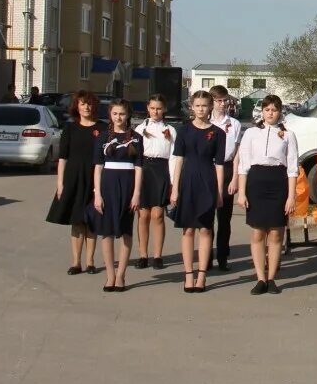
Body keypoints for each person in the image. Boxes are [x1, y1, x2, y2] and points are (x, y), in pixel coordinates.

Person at [236, 95, 299, 295]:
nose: (270, 113)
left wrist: (291, 196)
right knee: (257, 232)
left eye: (274, 109)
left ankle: (271, 277)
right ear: (262, 112)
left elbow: (292, 168)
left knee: (275, 232)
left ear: (280, 112)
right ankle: (260, 277)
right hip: (256, 181)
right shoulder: (251, 133)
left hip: (278, 181)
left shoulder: (288, 135)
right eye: (267, 110)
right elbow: (243, 165)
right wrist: (242, 192)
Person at [170, 91, 225, 293]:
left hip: (207, 181)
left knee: (205, 229)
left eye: (205, 105)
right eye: (198, 105)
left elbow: (219, 165)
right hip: (187, 181)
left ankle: (202, 275)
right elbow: (178, 160)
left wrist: (219, 191)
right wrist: (174, 189)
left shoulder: (219, 133)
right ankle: (188, 274)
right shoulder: (183, 131)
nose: (201, 109)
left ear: (211, 107)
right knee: (188, 230)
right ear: (192, 107)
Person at [46, 91, 105, 275]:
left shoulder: (102, 128)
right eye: (82, 104)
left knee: (91, 222)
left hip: (95, 178)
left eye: (89, 104)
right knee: (77, 221)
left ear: (94, 106)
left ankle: (90, 262)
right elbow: (63, 158)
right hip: (73, 178)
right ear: (76, 107)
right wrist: (60, 183)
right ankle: (76, 262)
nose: (86, 107)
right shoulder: (70, 128)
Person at [89, 100, 143, 292]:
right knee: (107, 232)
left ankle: (121, 275)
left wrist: (136, 194)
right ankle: (110, 275)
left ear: (128, 115)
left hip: (128, 186)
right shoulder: (103, 136)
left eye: (122, 113)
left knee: (125, 231)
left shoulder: (136, 138)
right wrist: (97, 194)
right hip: (108, 186)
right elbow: (97, 167)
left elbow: (138, 167)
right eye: (115, 114)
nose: (118, 117)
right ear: (110, 115)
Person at [134, 95, 173, 270]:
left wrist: (172, 181)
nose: (155, 111)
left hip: (161, 170)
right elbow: (134, 156)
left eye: (159, 108)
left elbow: (173, 156)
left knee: (157, 215)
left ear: (164, 109)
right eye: (152, 108)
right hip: (144, 169)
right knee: (143, 215)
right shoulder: (139, 129)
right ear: (148, 108)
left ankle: (157, 255)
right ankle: (143, 254)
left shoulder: (171, 130)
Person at [207, 85, 242, 272]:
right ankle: (206, 256)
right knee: (207, 217)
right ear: (211, 102)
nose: (222, 104)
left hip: (228, 169)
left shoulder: (234, 124)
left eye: (224, 100)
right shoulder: (205, 122)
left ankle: (222, 256)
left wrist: (235, 177)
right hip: (209, 168)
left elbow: (236, 153)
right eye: (218, 101)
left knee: (224, 218)